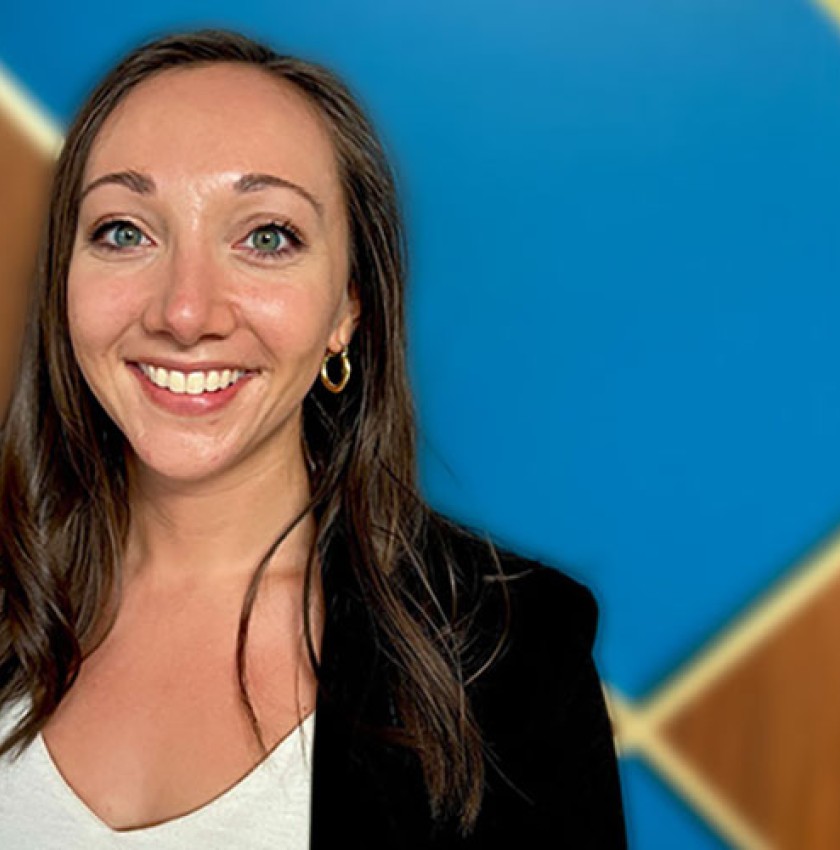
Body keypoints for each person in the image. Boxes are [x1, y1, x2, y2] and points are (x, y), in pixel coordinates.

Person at [0, 29, 628, 848]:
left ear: (348, 309)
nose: (185, 313)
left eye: (267, 237)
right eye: (125, 230)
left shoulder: (509, 653)